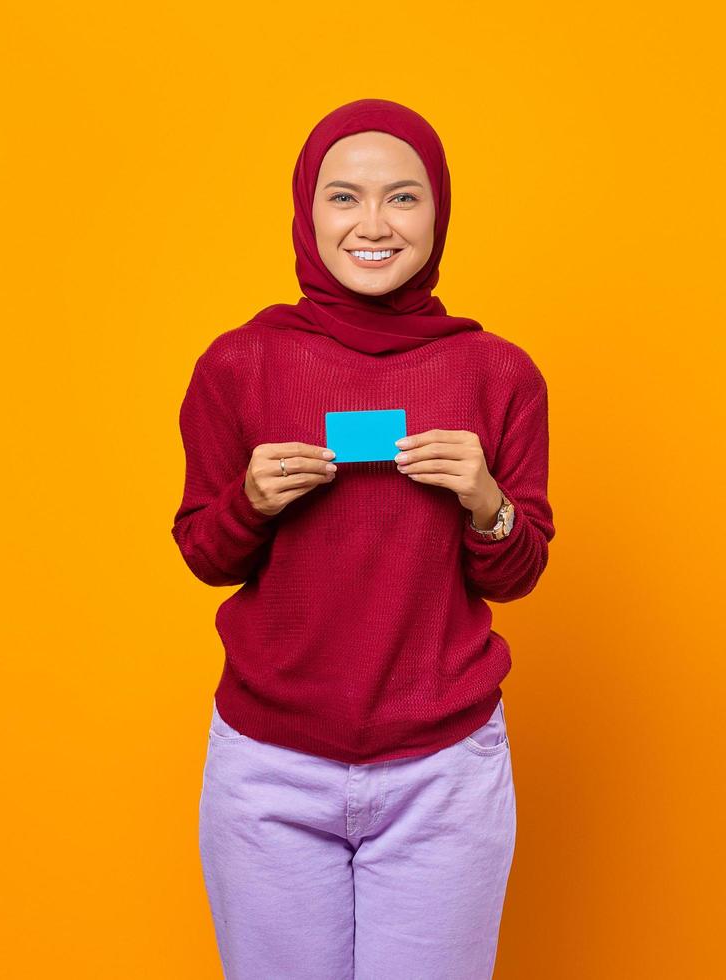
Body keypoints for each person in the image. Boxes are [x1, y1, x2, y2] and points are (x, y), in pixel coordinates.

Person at [171, 98, 555, 980]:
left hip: (444, 771)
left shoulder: (499, 373)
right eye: (344, 198)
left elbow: (519, 571)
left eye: (404, 198)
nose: (374, 225)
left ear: (440, 212)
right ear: (308, 213)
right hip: (269, 767)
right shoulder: (238, 364)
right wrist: (250, 501)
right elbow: (202, 552)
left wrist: (486, 499)